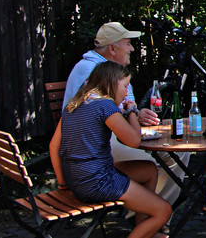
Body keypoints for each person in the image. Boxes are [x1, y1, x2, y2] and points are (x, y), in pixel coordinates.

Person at [63, 22, 185, 209]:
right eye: (128, 43)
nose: (132, 48)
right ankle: (152, 211)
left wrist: (136, 113)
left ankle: (152, 211)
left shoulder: (109, 70)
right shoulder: (94, 71)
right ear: (112, 48)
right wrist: (131, 113)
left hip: (110, 136)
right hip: (96, 145)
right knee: (149, 163)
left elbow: (119, 110)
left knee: (179, 154)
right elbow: (102, 113)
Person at [50, 62, 172, 238]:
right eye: (124, 85)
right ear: (113, 83)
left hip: (77, 179)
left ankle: (145, 232)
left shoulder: (73, 105)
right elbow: (134, 140)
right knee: (163, 211)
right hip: (97, 182)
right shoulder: (105, 105)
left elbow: (53, 146)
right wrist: (132, 111)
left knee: (149, 170)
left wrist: (63, 183)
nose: (125, 92)